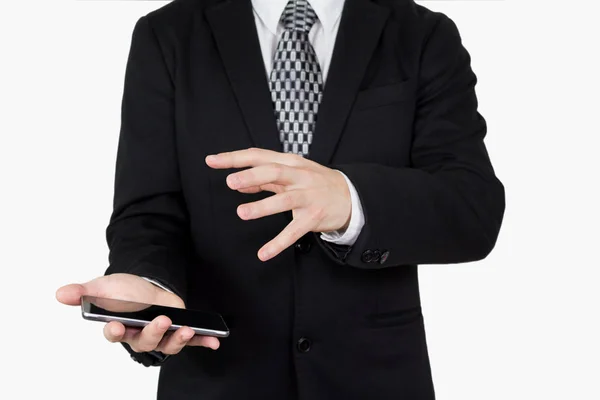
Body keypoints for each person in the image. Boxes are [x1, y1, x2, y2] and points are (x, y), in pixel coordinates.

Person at [56, 0, 505, 398]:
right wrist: (148, 282)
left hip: (376, 376)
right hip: (218, 377)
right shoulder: (168, 34)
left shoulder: (423, 35)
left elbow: (472, 207)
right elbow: (148, 211)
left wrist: (350, 199)